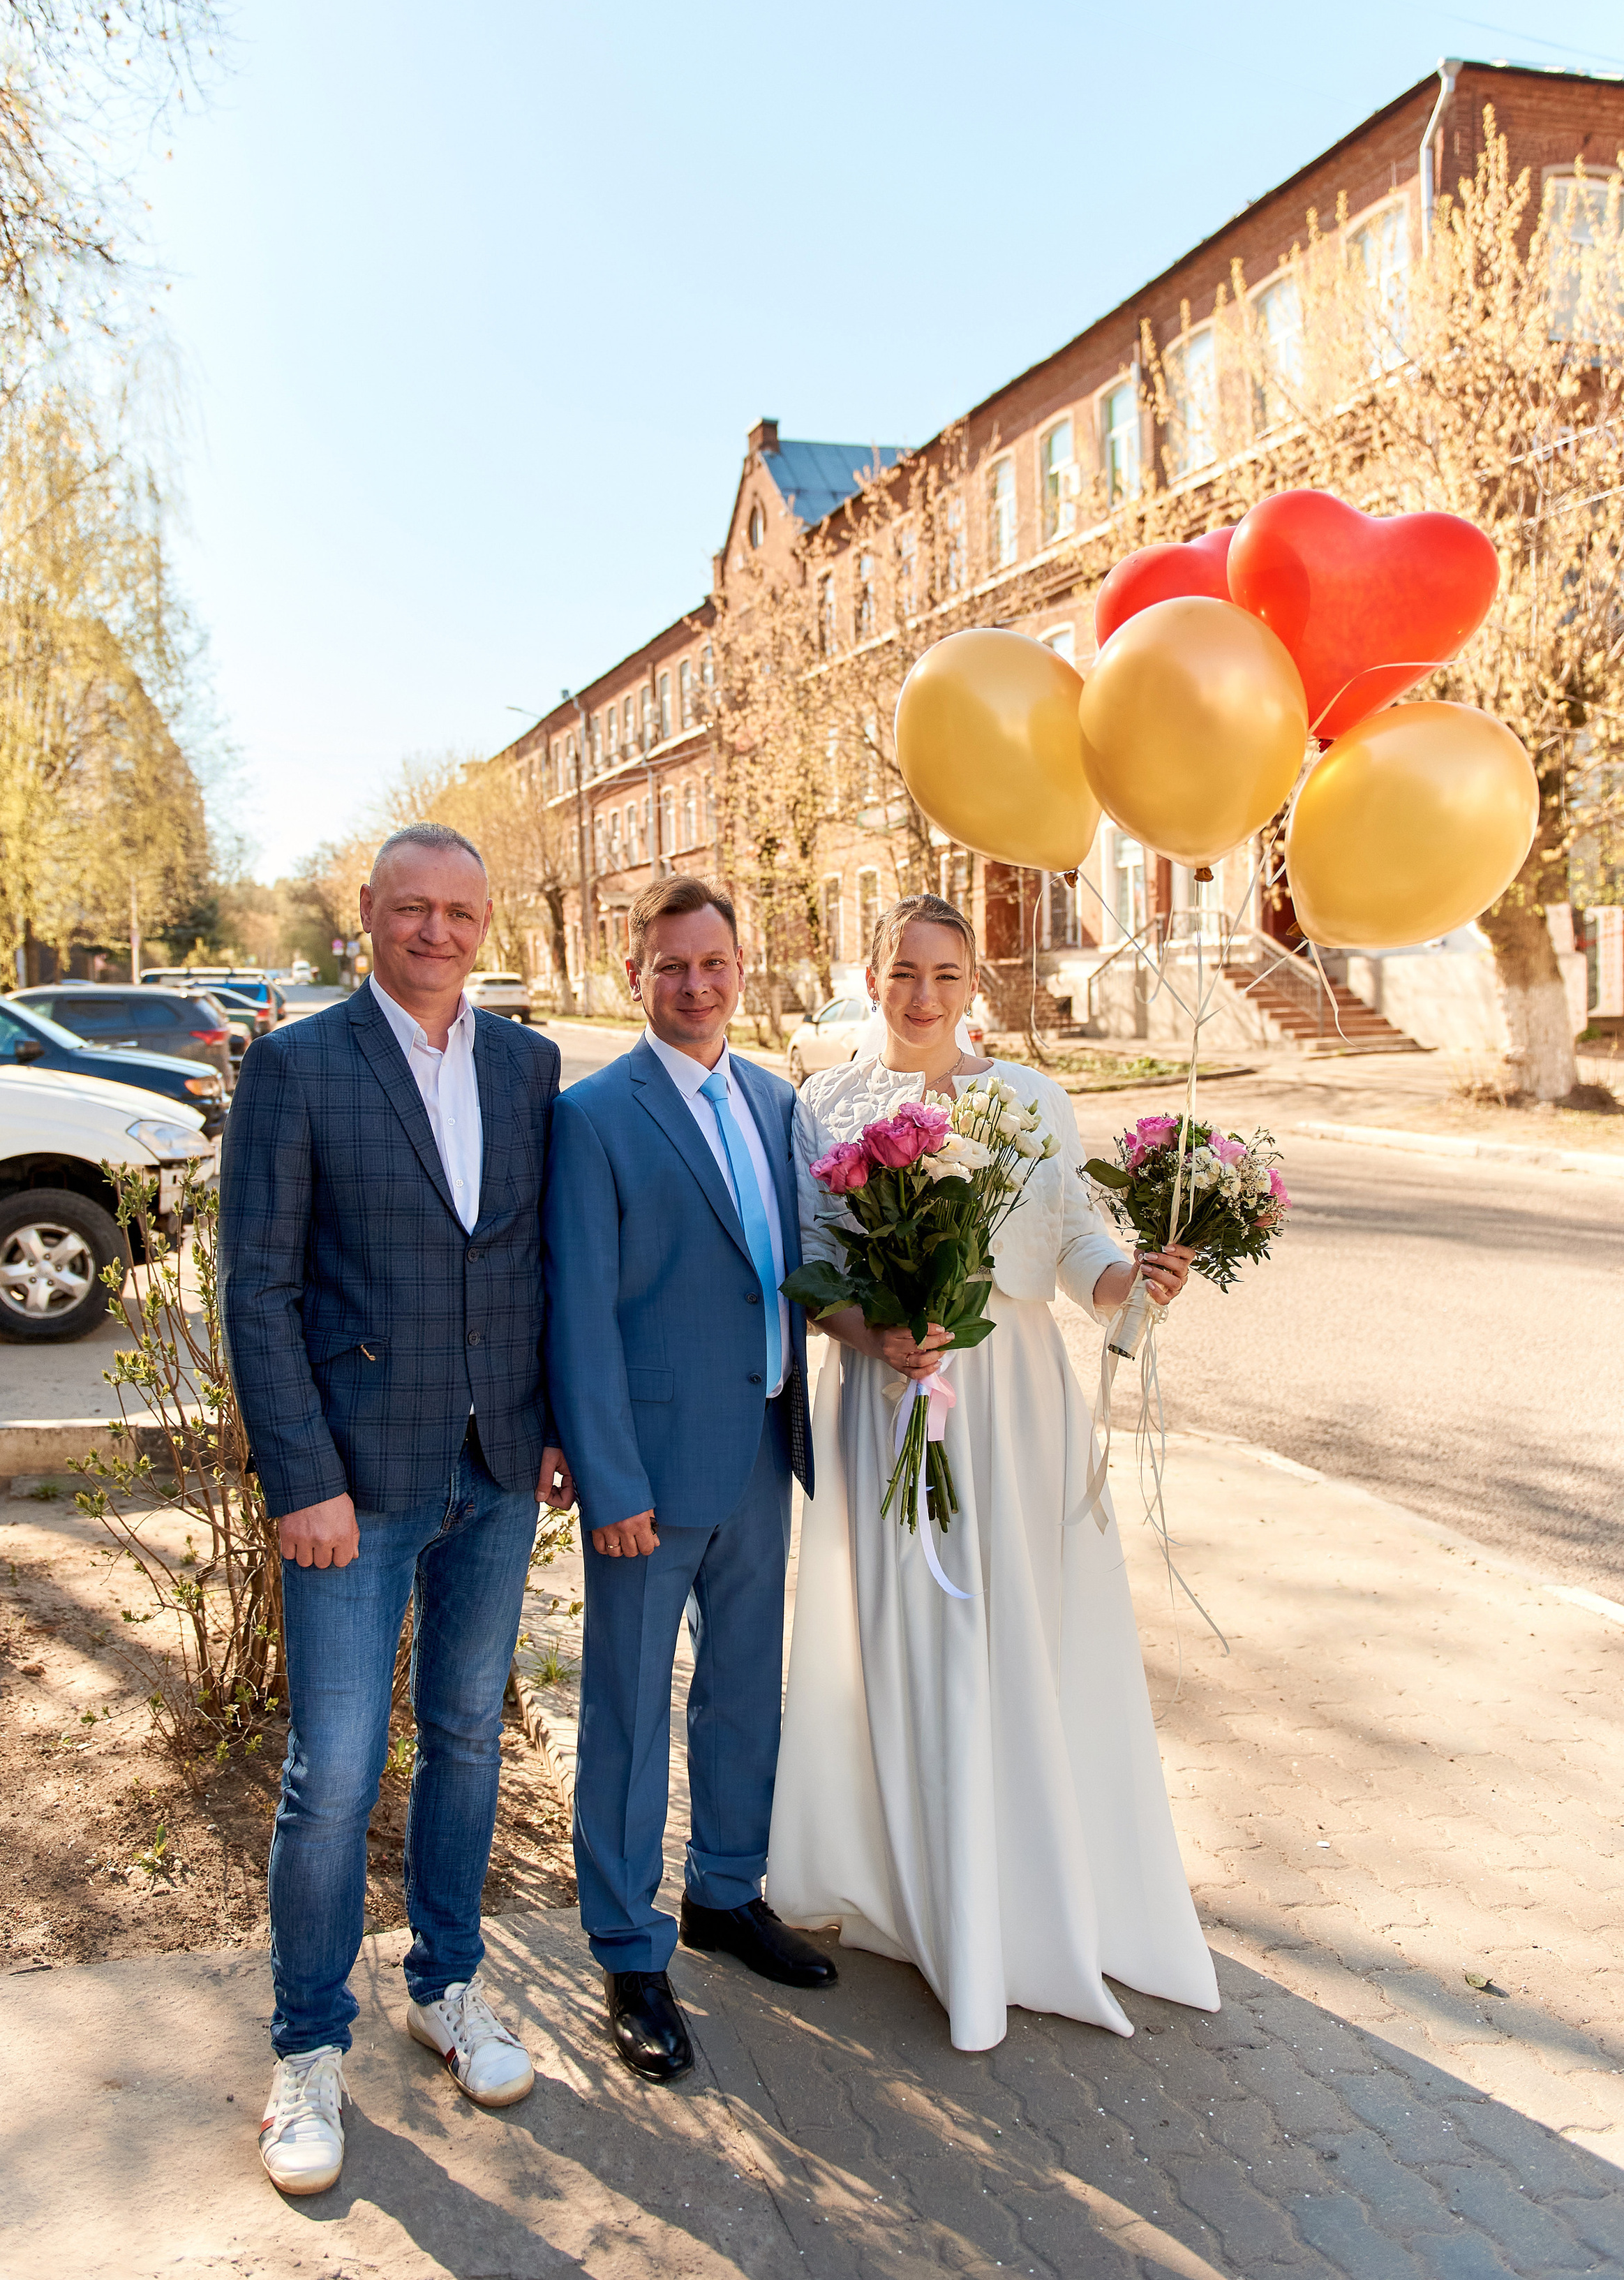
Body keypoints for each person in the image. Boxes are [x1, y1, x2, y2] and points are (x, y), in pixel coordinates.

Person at [767, 893, 1220, 2052]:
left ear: (977, 986)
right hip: (888, 1404)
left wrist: (1131, 1282)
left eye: (947, 975)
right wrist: (877, 1334)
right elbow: (810, 1272)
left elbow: (1072, 1246)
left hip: (1012, 1404)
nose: (923, 995)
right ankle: (922, 1890)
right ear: (872, 975)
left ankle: (1021, 1896)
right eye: (903, 971)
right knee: (913, 1638)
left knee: (1011, 1633)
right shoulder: (823, 1102)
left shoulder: (1029, 1098)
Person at [221, 822, 573, 2195]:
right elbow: (257, 1288)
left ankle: (447, 1986)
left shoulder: (528, 1066)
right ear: (365, 911)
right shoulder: (299, 1064)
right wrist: (300, 1477)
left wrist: (556, 1429)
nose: (436, 930)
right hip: (353, 1487)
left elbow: (537, 1264)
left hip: (496, 1468)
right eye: (411, 906)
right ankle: (308, 2049)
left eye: (459, 912)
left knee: (470, 1739)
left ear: (487, 924)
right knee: (335, 1772)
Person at [543, 874, 832, 2082]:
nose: (696, 984)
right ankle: (627, 1946)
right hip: (648, 1472)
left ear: (741, 969)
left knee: (745, 1688)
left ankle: (724, 1890)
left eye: (714, 964)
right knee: (627, 1706)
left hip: (764, 1441)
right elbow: (577, 1313)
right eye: (672, 966)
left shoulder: (777, 1102)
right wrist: (609, 1480)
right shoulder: (593, 1115)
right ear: (636, 976)